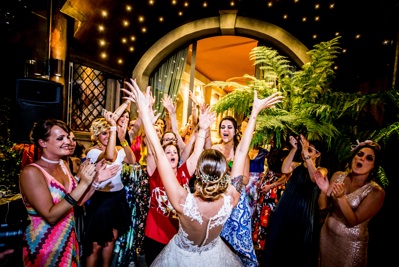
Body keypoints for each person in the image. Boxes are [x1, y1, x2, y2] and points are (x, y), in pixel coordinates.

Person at [123, 78, 283, 266]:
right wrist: (254, 113)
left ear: (197, 174)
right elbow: (241, 152)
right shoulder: (230, 199)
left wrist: (143, 111)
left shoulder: (182, 201)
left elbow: (158, 153)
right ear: (225, 176)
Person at [19, 118, 116, 267]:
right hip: (45, 245)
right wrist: (83, 183)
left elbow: (78, 201)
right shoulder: (31, 172)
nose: (68, 142)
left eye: (68, 137)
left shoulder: (63, 165)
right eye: (60, 138)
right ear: (42, 143)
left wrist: (96, 181)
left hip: (68, 239)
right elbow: (51, 216)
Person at [314, 140, 385, 267]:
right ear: (354, 156)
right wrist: (323, 191)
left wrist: (341, 198)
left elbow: (352, 221)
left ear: (374, 165)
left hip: (350, 244)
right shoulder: (337, 176)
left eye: (369, 158)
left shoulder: (376, 192)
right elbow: (323, 207)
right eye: (360, 154)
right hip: (327, 236)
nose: (362, 159)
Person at [261, 134, 328, 267]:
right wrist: (294, 149)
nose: (306, 152)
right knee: (279, 242)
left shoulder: (322, 170)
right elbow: (284, 169)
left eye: (310, 150)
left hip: (304, 213)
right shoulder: (296, 166)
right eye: (306, 149)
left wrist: (305, 151)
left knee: (298, 246)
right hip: (286, 208)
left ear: (318, 155)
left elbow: (315, 178)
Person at [84, 110, 136, 267]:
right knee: (96, 244)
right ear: (96, 136)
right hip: (101, 200)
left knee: (111, 238)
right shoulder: (93, 152)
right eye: (103, 134)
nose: (107, 136)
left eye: (109, 133)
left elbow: (133, 160)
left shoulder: (119, 150)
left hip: (117, 198)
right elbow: (108, 156)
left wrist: (123, 140)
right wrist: (114, 128)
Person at [211, 116, 256, 266]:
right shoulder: (215, 149)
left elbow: (245, 179)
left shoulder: (241, 152)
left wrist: (231, 171)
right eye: (223, 127)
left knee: (237, 239)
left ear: (235, 131)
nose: (226, 130)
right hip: (217, 197)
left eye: (229, 127)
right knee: (218, 237)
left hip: (236, 200)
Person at [251, 147, 290, 261]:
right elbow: (272, 167)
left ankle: (265, 248)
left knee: (268, 217)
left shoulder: (287, 152)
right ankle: (259, 244)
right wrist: (265, 176)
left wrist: (271, 186)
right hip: (268, 185)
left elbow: (287, 174)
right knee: (261, 213)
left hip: (274, 190)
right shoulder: (275, 148)